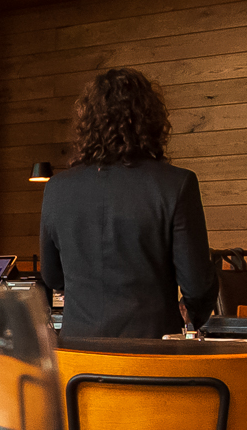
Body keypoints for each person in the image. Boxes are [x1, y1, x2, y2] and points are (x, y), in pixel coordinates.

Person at [38, 68, 217, 338]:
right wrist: (191, 312)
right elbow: (197, 286)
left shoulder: (57, 188)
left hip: (79, 359)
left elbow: (52, 277)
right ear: (152, 120)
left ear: (87, 123)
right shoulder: (177, 184)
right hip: (151, 358)